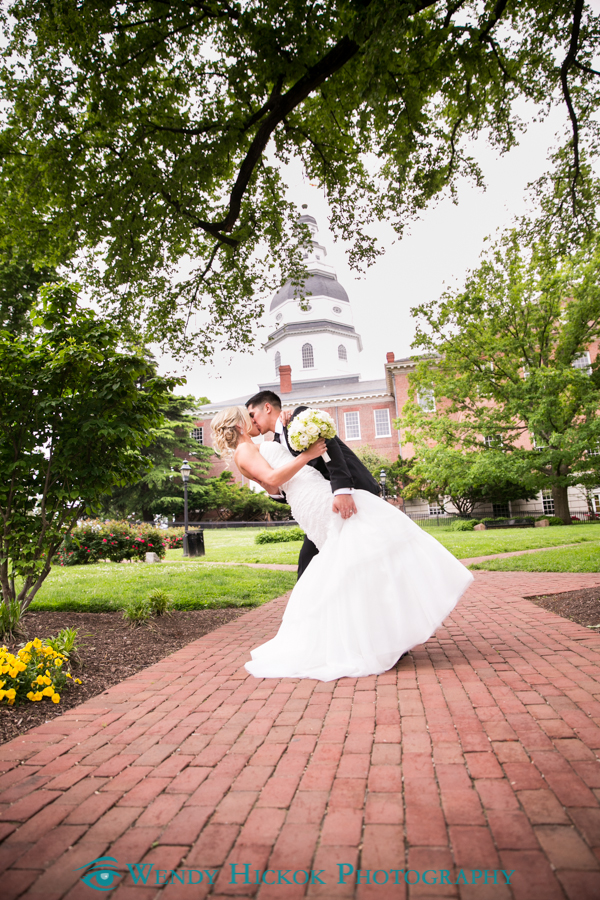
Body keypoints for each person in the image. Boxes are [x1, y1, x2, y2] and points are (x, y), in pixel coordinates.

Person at [211, 406, 474, 682]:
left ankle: (379, 635)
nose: (252, 419)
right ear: (239, 425)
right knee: (369, 545)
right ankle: (379, 637)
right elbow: (273, 479)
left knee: (356, 559)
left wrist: (287, 434)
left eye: (253, 415)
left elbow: (273, 488)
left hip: (309, 495)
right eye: (247, 417)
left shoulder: (254, 448)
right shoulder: (245, 451)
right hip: (314, 499)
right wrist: (308, 455)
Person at [245, 390, 380, 578]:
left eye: (252, 415)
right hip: (323, 505)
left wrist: (342, 492)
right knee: (311, 563)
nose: (251, 421)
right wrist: (274, 492)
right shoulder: (275, 443)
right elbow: (299, 481)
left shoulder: (299, 417)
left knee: (369, 553)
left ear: (267, 407)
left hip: (353, 491)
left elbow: (330, 449)